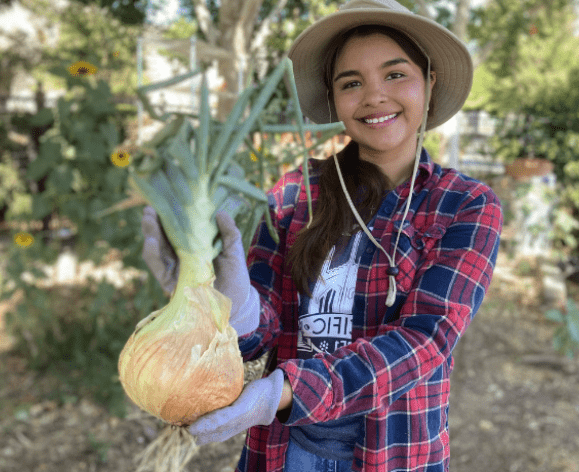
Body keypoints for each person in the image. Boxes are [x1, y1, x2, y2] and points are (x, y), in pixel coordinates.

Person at [141, 0, 503, 471]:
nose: (374, 96)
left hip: (394, 452)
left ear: (430, 82)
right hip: (286, 451)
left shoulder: (465, 204)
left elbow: (425, 340)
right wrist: (223, 302)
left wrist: (281, 393)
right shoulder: (297, 191)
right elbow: (260, 332)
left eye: (395, 75)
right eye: (351, 82)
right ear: (333, 100)